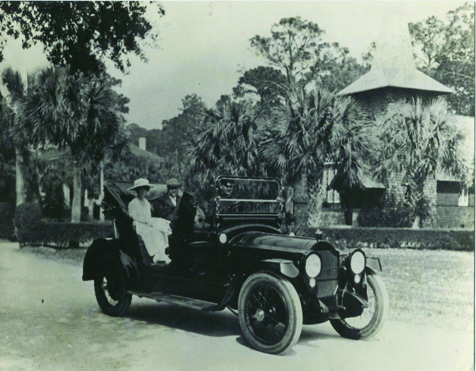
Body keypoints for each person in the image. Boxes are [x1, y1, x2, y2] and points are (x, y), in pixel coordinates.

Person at [128, 178, 171, 264]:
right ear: (137, 190)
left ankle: (161, 253)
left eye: (145, 189)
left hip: (147, 223)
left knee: (162, 229)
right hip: (138, 225)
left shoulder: (147, 202)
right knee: (152, 232)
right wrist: (146, 223)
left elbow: (148, 217)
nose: (143, 191)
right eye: (141, 189)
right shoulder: (133, 203)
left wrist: (150, 223)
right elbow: (132, 218)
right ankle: (156, 255)